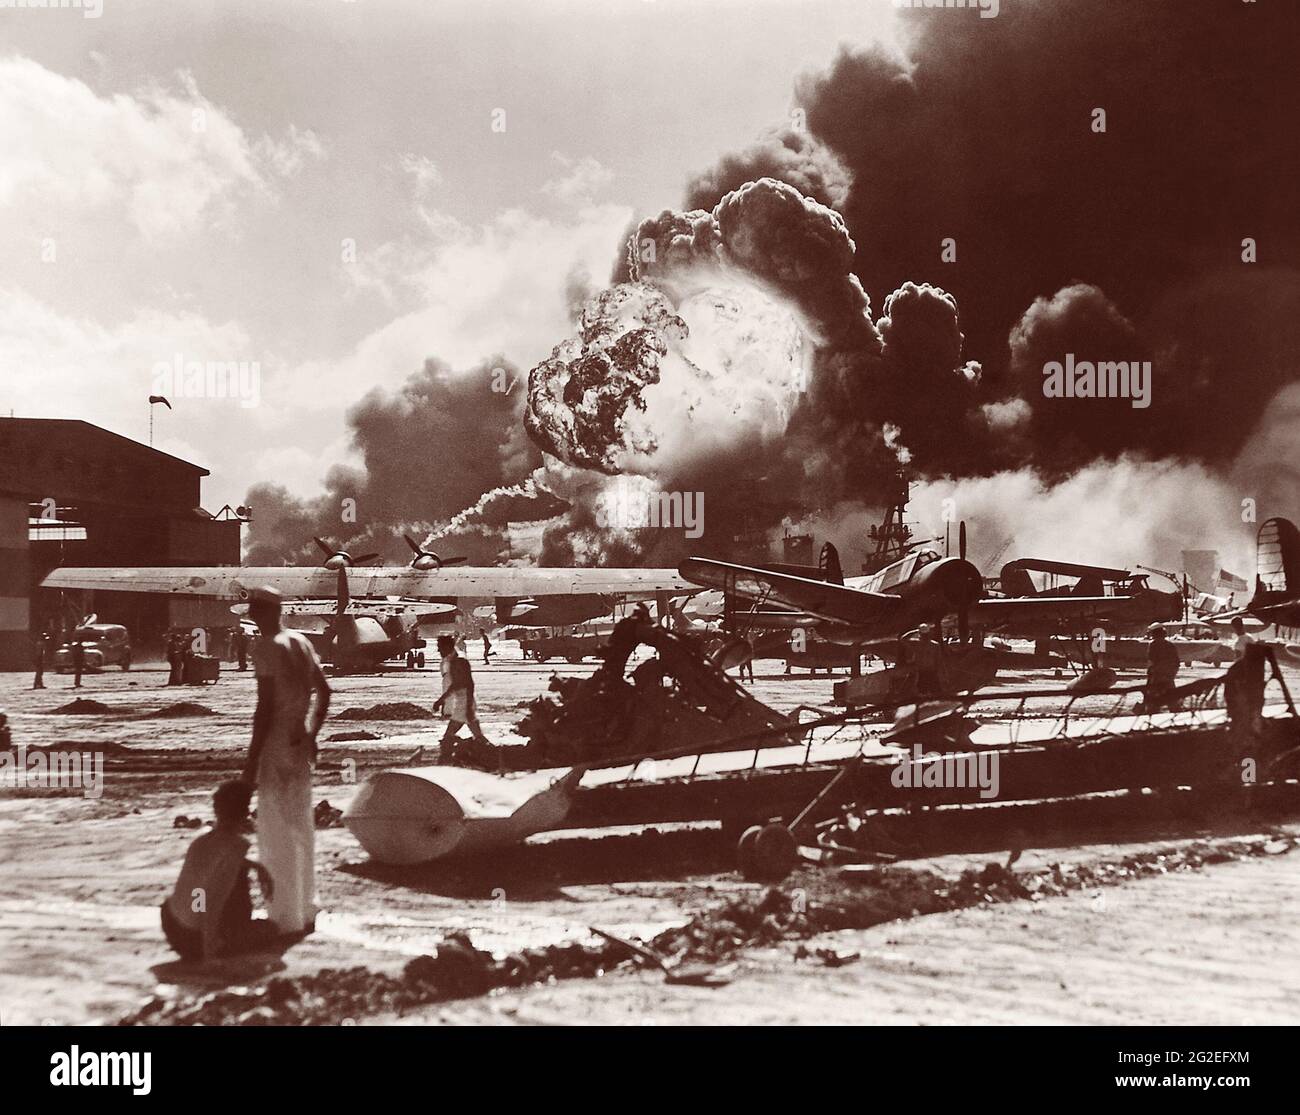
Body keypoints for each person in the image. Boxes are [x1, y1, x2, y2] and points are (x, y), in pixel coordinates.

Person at [242, 586, 330, 936]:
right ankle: (305, 909)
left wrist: (250, 762)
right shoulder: (301, 643)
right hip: (299, 743)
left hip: (276, 743)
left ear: (261, 612)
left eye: (252, 609)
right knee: (300, 826)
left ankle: (283, 915)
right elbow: (324, 691)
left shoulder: (265, 646)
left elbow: (263, 710)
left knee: (276, 828)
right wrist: (312, 734)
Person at [161, 780, 277, 961]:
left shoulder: (201, 841)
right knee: (269, 929)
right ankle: (220, 939)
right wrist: (210, 953)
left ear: (216, 810)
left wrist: (256, 866)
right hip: (196, 939)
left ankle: (211, 937)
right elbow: (212, 901)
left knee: (205, 888)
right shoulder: (235, 847)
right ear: (245, 813)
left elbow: (201, 887)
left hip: (174, 926)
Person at [434, 634, 490, 754]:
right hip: (463, 703)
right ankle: (492, 754)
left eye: (440, 647)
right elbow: (456, 684)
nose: (438, 650)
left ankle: (446, 762)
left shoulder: (460, 662)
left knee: (447, 738)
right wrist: (441, 700)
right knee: (478, 736)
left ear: (447, 647)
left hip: (464, 704)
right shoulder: (452, 661)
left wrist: (468, 706)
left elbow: (469, 684)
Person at [1145, 624, 1181, 709]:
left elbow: (1151, 660)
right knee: (1171, 696)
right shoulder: (1170, 645)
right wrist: (1172, 674)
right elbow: (1176, 662)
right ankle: (1175, 711)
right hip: (1168, 674)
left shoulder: (1153, 644)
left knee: (1153, 696)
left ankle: (1152, 711)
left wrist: (1150, 673)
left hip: (1157, 674)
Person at [911, 624, 945, 698]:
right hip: (927, 671)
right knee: (929, 692)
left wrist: (914, 631)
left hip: (928, 671)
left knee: (927, 692)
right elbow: (939, 660)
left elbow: (902, 639)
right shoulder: (918, 644)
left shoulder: (917, 644)